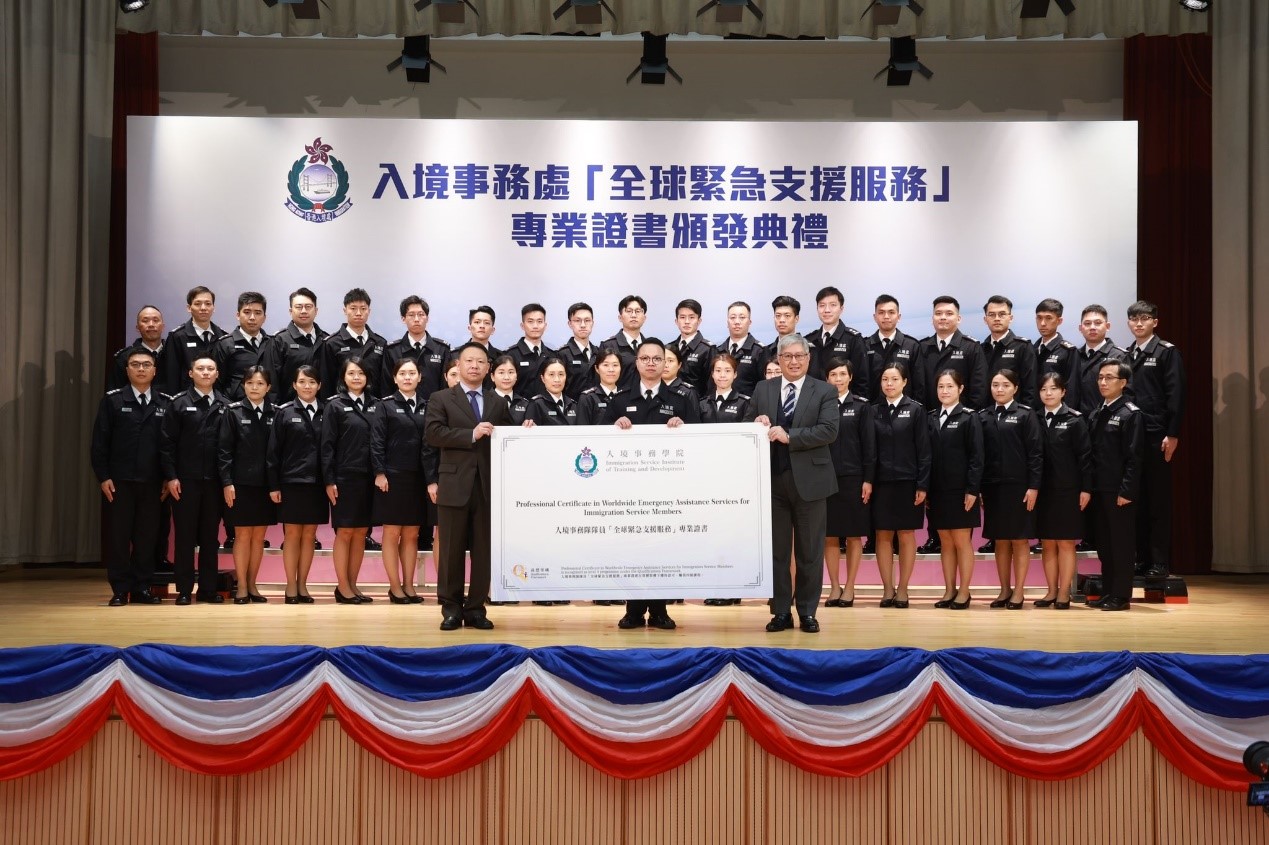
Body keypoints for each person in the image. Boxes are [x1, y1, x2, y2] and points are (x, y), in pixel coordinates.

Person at [744, 333, 838, 633]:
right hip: (771, 482)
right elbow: (747, 428)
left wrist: (790, 436)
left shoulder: (824, 391)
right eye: (788, 356)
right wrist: (756, 425)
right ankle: (781, 611)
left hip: (811, 483)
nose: (794, 361)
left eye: (799, 356)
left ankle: (808, 611)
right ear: (779, 360)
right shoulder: (763, 388)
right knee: (777, 552)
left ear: (808, 359)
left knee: (810, 552)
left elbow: (828, 431)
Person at [604, 337, 700, 629]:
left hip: (668, 491)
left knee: (664, 548)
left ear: (666, 363)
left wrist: (682, 430)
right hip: (628, 491)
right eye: (644, 358)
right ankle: (633, 610)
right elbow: (597, 441)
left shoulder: (681, 400)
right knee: (632, 548)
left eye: (657, 359)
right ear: (636, 361)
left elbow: (699, 442)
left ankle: (660, 610)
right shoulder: (619, 400)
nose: (651, 364)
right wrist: (613, 427)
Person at [424, 342, 514, 631]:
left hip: (488, 487)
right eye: (469, 361)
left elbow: (507, 438)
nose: (474, 366)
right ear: (459, 366)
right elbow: (433, 434)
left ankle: (476, 608)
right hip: (454, 484)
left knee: (483, 551)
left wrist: (525, 431)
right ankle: (450, 608)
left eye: (480, 362)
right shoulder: (440, 398)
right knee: (450, 551)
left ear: (488, 368)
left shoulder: (498, 401)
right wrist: (471, 434)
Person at [91, 347, 169, 606]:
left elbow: (169, 447)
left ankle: (142, 588)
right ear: (127, 370)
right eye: (135, 364)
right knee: (119, 538)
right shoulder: (113, 401)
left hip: (152, 483)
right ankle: (119, 589)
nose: (141, 369)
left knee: (147, 538)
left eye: (146, 364)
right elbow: (100, 443)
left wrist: (168, 478)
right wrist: (103, 476)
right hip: (119, 482)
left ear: (154, 370)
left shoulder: (164, 403)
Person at [160, 355, 229, 605]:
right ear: (191, 373)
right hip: (184, 482)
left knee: (210, 537)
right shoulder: (178, 404)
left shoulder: (225, 404)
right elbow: (166, 444)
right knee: (185, 537)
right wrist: (171, 477)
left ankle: (208, 590)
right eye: (200, 368)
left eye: (211, 368)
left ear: (217, 374)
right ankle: (184, 590)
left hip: (214, 482)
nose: (206, 372)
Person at [1124, 300, 1186, 578]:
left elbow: (1176, 395)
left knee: (1158, 499)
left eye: (1144, 318)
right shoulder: (1125, 354)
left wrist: (1172, 433)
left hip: (1157, 435)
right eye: (1134, 319)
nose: (1139, 323)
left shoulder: (1166, 352)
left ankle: (1159, 560)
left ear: (1154, 322)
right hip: (1131, 437)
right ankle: (1141, 558)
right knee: (1135, 499)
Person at [371, 358, 437, 604]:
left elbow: (430, 443)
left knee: (412, 533)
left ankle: (409, 586)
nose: (408, 377)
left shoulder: (428, 405)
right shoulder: (385, 406)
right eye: (402, 373)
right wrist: (379, 472)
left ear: (420, 377)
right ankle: (395, 586)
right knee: (392, 532)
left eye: (412, 373)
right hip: (392, 476)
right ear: (395, 378)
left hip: (419, 477)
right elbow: (376, 441)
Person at [978, 369, 1044, 609]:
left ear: (1015, 388)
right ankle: (1004, 589)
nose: (999, 389)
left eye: (1005, 385)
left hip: (1019, 488)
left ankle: (1019, 591)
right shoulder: (984, 416)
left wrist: (1034, 486)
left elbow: (1036, 454)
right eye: (995, 385)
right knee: (1001, 541)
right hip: (993, 488)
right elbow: (980, 455)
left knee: (1019, 540)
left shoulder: (1026, 414)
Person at [869, 361, 931, 609]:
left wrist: (923, 484)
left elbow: (924, 451)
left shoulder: (915, 410)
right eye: (885, 379)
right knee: (882, 535)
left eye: (894, 379)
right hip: (881, 483)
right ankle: (887, 589)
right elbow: (869, 451)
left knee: (906, 535)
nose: (889, 384)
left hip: (908, 482)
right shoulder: (872, 411)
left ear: (905, 382)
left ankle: (903, 589)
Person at [1087, 360, 1144, 611]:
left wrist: (1127, 491)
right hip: (1099, 489)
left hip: (1119, 492)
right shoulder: (1098, 411)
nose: (1103, 382)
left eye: (1109, 378)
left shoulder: (1130, 414)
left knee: (1121, 545)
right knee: (1105, 544)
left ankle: (1121, 595)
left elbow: (1135, 458)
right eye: (1100, 377)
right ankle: (1109, 591)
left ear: (1123, 383)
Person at [320, 356, 378, 604]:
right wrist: (329, 480)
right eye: (352, 373)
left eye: (361, 373)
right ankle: (342, 587)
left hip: (369, 478)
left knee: (361, 532)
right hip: (344, 477)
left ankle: (353, 586)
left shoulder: (376, 405)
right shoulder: (334, 405)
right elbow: (327, 446)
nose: (357, 378)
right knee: (344, 532)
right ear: (343, 377)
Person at [267, 364, 326, 604]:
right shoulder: (284, 412)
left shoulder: (327, 410)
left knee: (309, 534)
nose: (307, 386)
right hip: (291, 482)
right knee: (291, 534)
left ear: (319, 385)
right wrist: (274, 485)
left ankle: (303, 584)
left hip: (317, 483)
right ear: (294, 385)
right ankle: (290, 585)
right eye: (302, 381)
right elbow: (273, 453)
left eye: (312, 382)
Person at [218, 365, 276, 604]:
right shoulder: (233, 412)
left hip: (265, 485)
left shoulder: (275, 412)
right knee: (242, 536)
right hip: (240, 484)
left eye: (260, 383)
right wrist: (227, 482)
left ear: (268, 387)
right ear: (244, 385)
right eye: (251, 383)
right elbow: (224, 451)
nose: (255, 387)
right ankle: (241, 585)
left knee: (258, 536)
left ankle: (253, 584)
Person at [1035, 372, 1093, 609]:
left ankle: (1063, 594)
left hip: (1068, 490)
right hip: (1042, 491)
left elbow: (1086, 458)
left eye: (1053, 389)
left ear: (1063, 392)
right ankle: (1050, 591)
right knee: (1047, 543)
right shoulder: (1034, 417)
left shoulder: (1075, 419)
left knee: (1066, 543)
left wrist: (1086, 488)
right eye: (1043, 389)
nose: (1048, 393)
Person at [821, 357, 875, 609]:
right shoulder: (820, 405)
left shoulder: (862, 407)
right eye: (833, 374)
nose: (838, 379)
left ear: (850, 377)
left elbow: (869, 446)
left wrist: (868, 479)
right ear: (827, 378)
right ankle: (834, 586)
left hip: (854, 479)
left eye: (843, 374)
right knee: (829, 536)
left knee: (854, 536)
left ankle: (850, 586)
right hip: (826, 478)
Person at [926, 369, 983, 610]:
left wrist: (972, 489)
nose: (945, 391)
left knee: (961, 541)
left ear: (960, 389)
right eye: (941, 386)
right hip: (937, 491)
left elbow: (977, 457)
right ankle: (949, 589)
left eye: (950, 386)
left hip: (961, 490)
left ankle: (964, 591)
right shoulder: (930, 417)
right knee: (945, 542)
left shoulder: (969, 417)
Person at [701, 352, 753, 607]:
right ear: (712, 374)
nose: (722, 375)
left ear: (735, 374)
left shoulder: (745, 403)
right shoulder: (702, 404)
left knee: (734, 534)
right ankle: (717, 586)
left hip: (735, 478)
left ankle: (735, 586)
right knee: (713, 534)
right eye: (718, 371)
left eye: (727, 371)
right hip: (708, 477)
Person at [918, 295, 988, 413]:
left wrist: (967, 416)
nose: (943, 317)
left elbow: (979, 388)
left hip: (962, 419)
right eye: (938, 313)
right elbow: (917, 386)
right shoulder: (921, 347)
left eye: (949, 313)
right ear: (932, 318)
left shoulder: (971, 347)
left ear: (959, 318)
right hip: (928, 419)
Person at [318, 288, 388, 400]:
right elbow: (326, 382)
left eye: (363, 308)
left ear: (369, 311)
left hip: (374, 407)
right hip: (341, 407)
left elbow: (385, 382)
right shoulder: (332, 343)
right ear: (345, 310)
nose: (359, 313)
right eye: (353, 308)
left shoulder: (380, 343)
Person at [380, 295, 450, 403]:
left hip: (434, 410)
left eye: (421, 315)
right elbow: (386, 386)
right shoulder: (392, 350)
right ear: (403, 319)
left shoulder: (442, 349)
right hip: (399, 412)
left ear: (427, 318)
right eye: (411, 315)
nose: (417, 319)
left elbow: (445, 385)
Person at [267, 287, 327, 406]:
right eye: (299, 307)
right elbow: (271, 380)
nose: (303, 311)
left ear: (316, 310)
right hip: (288, 410)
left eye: (308, 307)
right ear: (290, 311)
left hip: (322, 411)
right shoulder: (279, 340)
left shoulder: (326, 340)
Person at [165, 285, 227, 394]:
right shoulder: (177, 336)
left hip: (218, 400)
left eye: (208, 304)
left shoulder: (223, 337)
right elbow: (171, 375)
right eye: (198, 304)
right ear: (189, 308)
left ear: (214, 308)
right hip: (186, 400)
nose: (203, 308)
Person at [980, 295, 1039, 411]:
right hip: (986, 416)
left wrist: (1025, 415)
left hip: (1016, 416)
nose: (997, 318)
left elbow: (1030, 387)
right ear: (985, 319)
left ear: (1010, 318)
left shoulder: (1023, 347)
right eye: (991, 315)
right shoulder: (981, 349)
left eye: (1002, 314)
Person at [806, 286, 868, 395]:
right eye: (822, 305)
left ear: (841, 309)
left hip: (844, 405)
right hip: (814, 404)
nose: (827, 310)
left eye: (833, 305)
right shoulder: (809, 340)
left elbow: (862, 380)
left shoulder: (853, 339)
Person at [863, 294, 923, 405]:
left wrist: (913, 411)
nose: (886, 316)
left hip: (905, 412)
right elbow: (861, 382)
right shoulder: (864, 345)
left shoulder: (912, 346)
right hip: (872, 411)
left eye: (891, 312)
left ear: (899, 316)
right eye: (881, 312)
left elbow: (919, 386)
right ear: (875, 317)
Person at [211, 291, 270, 401]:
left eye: (258, 313)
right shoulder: (225, 344)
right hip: (234, 408)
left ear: (264, 317)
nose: (252, 317)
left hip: (267, 409)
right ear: (238, 315)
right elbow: (215, 383)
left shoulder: (272, 343)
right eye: (247, 312)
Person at [1073, 305, 1129, 416]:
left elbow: (1128, 393)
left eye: (1098, 323)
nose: (1092, 327)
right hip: (1077, 422)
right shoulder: (1074, 355)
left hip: (1107, 421)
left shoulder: (1120, 356)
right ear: (1080, 328)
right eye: (1087, 323)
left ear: (1107, 326)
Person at [108, 305, 172, 396]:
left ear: (163, 326)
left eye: (155, 320)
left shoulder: (174, 353)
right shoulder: (124, 357)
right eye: (145, 321)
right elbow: (115, 396)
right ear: (137, 327)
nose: (151, 324)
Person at [1033, 298, 1081, 413]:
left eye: (1048, 318)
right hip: (1034, 414)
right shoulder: (1031, 349)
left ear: (1059, 321)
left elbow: (1072, 390)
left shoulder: (1068, 351)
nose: (1043, 323)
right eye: (1039, 318)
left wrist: (1067, 417)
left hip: (1059, 415)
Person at [715, 301, 767, 397]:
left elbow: (764, 386)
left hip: (749, 408)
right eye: (733, 318)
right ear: (727, 322)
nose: (737, 322)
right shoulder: (717, 351)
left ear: (750, 322)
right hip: (720, 407)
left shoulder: (760, 351)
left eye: (742, 317)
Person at [600, 294, 648, 393]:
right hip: (617, 402)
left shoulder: (650, 347)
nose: (634, 315)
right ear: (620, 317)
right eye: (629, 311)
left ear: (644, 318)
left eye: (638, 311)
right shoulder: (608, 345)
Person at [506, 303, 551, 398]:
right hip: (519, 410)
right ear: (522, 325)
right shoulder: (511, 355)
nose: (535, 326)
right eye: (530, 321)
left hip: (546, 410)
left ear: (545, 325)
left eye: (539, 321)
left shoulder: (552, 355)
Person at [560, 302, 602, 400]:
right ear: (570, 324)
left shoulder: (599, 353)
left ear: (593, 323)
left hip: (598, 410)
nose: (583, 325)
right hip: (572, 411)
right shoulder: (562, 354)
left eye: (587, 320)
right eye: (577, 320)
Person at [669, 298, 712, 392]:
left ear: (699, 321)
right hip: (670, 403)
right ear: (676, 321)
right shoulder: (669, 349)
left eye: (692, 317)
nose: (687, 321)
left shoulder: (708, 349)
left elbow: (711, 385)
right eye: (682, 317)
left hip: (696, 404)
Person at [575, 349, 624, 426]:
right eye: (605, 365)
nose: (611, 370)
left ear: (621, 368)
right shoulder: (588, 398)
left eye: (615, 365)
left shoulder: (627, 395)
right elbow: (582, 432)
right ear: (597, 369)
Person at [491, 354, 528, 423]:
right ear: (492, 376)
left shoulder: (524, 403)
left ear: (516, 376)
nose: (506, 377)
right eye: (501, 372)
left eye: (511, 372)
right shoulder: (485, 400)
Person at [660, 344, 701, 408]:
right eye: (662, 360)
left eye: (670, 361)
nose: (666, 365)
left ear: (679, 364)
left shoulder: (688, 392)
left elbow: (694, 417)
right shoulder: (650, 389)